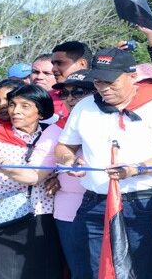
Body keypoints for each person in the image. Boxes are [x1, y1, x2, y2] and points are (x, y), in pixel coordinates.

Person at [56, 48, 152, 278]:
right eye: (98, 81)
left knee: (140, 270)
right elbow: (64, 147)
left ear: (132, 76)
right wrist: (70, 161)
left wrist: (135, 169)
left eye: (110, 81)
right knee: (96, 270)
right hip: (95, 203)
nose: (103, 87)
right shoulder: (85, 106)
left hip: (141, 204)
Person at [0, 84, 63, 278]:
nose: (15, 111)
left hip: (45, 216)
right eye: (13, 105)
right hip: (4, 216)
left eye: (24, 106)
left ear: (41, 111)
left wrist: (58, 176)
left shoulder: (55, 136)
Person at [50, 70, 94, 277]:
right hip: (69, 208)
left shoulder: (117, 119)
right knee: (81, 271)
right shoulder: (55, 128)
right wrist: (54, 174)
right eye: (64, 94)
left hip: (111, 205)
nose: (69, 98)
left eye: (78, 92)